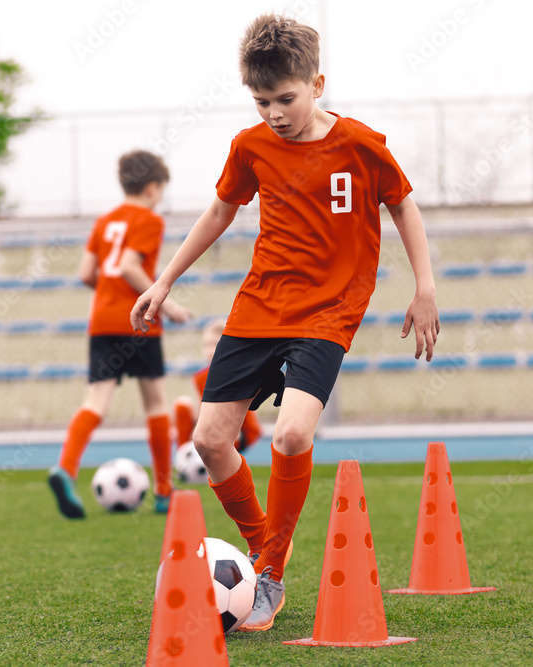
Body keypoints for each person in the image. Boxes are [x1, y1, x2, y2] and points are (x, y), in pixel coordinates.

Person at [131, 14, 439, 632]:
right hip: (260, 305)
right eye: (261, 101)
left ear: (317, 83)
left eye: (286, 99)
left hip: (329, 310)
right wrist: (164, 281)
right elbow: (220, 210)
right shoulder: (251, 147)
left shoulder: (362, 144)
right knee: (211, 440)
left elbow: (401, 203)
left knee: (291, 435)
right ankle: (265, 540)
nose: (274, 112)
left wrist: (424, 286)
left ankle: (268, 570)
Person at [48, 150, 192, 519]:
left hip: (102, 321)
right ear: (153, 187)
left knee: (95, 401)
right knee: (156, 404)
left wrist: (110, 293)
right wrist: (167, 305)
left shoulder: (104, 221)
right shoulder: (148, 219)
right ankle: (163, 490)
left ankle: (66, 469)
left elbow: (85, 274)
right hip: (139, 320)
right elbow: (129, 265)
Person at [173, 317, 262, 452]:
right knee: (182, 405)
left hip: (240, 430)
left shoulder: (237, 372)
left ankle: (210, 457)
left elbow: (232, 413)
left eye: (214, 345)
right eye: (206, 345)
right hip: (214, 425)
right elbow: (203, 410)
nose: (209, 350)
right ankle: (184, 456)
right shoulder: (200, 377)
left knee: (215, 427)